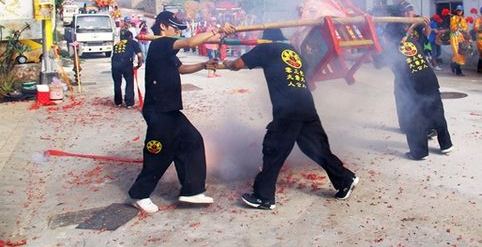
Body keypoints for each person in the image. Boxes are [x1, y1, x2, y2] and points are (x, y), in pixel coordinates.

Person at [223, 29, 358, 210]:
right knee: (315, 148)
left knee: (273, 151)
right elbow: (307, 75)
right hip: (306, 105)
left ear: (265, 40)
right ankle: (345, 179)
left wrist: (226, 62)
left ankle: (264, 197)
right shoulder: (294, 52)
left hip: (288, 110)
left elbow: (238, 64)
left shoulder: (265, 49)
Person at [128, 11, 235, 214]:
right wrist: (218, 30)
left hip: (169, 110)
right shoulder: (160, 43)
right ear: (162, 27)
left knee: (192, 141)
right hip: (159, 111)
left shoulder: (165, 51)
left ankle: (192, 190)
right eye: (175, 28)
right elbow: (190, 42)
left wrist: (204, 64)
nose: (178, 31)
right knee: (158, 155)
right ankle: (138, 194)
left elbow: (182, 69)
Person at [382, 14, 453, 160]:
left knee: (414, 117)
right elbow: (419, 34)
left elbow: (376, 61)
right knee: (437, 113)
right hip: (429, 80)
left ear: (389, 36)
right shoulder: (412, 41)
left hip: (412, 86)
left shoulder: (389, 50)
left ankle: (419, 152)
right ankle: (446, 145)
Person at [111, 30, 143, 108]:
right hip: (126, 64)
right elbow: (139, 55)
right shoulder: (133, 42)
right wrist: (139, 64)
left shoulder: (117, 44)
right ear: (131, 37)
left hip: (115, 64)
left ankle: (118, 102)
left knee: (117, 83)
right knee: (129, 82)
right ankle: (129, 103)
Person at [449, 5, 469, 76]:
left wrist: (467, 37)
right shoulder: (453, 18)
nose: (459, 12)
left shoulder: (463, 19)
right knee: (457, 53)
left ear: (462, 11)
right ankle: (458, 71)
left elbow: (465, 29)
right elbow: (452, 28)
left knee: (461, 53)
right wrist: (457, 23)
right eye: (458, 10)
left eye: (460, 10)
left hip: (461, 38)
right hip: (454, 37)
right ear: (456, 11)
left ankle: (453, 64)